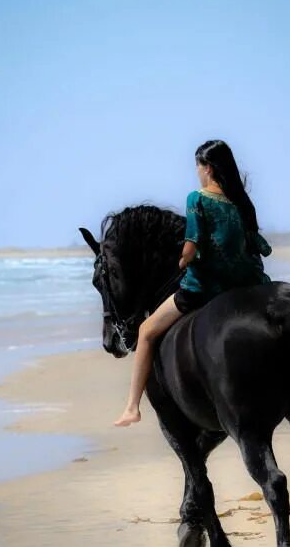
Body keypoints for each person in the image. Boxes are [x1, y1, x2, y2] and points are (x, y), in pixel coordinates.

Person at [113, 139, 273, 427]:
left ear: (207, 168)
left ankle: (132, 407)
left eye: (198, 167)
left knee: (146, 331)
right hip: (247, 283)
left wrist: (182, 262)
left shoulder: (197, 199)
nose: (197, 173)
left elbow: (190, 248)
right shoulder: (241, 202)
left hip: (207, 287)